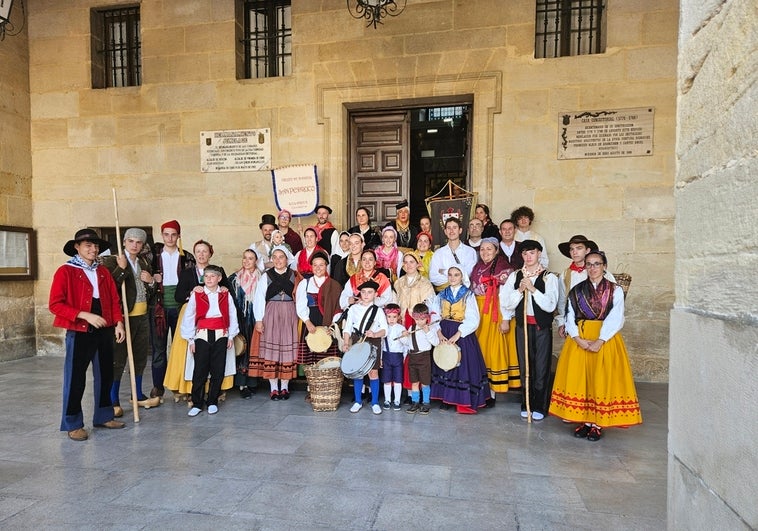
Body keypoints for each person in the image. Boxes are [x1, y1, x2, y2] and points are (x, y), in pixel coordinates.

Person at [549, 250, 642, 441]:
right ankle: (584, 420)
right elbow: (570, 315)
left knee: (599, 379)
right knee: (581, 380)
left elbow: (617, 317)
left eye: (597, 264)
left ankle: (597, 424)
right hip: (580, 339)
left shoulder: (614, 290)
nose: (592, 268)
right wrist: (577, 338)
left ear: (604, 266)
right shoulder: (577, 290)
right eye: (589, 264)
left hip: (604, 340)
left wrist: (600, 340)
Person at [49, 228, 126, 441]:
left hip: (105, 330)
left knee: (105, 375)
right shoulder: (65, 271)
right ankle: (73, 423)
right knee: (75, 379)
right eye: (88, 246)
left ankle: (103, 415)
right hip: (80, 331)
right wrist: (85, 315)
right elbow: (55, 304)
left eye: (96, 246)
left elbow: (113, 299)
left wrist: (119, 323)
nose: (93, 249)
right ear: (77, 247)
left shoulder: (102, 271)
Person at [101, 228, 161, 417]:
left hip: (142, 316)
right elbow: (109, 289)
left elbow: (150, 292)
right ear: (124, 242)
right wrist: (121, 269)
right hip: (122, 318)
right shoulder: (111, 261)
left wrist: (151, 281)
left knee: (140, 357)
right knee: (118, 359)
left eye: (139, 243)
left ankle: (138, 394)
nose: (134, 245)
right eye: (131, 241)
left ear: (143, 245)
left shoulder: (144, 262)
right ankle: (113, 399)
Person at [164, 240, 233, 402]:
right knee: (191, 354)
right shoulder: (187, 273)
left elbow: (227, 289)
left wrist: (224, 288)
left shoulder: (217, 271)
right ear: (194, 254)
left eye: (205, 251)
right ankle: (191, 389)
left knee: (216, 355)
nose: (201, 255)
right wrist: (191, 292)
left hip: (214, 319)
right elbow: (178, 296)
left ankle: (216, 389)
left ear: (210, 253)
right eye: (198, 251)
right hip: (192, 315)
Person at [500, 240, 559, 421]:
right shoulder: (516, 276)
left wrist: (532, 289)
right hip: (522, 326)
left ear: (539, 253)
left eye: (531, 253)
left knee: (541, 367)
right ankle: (526, 403)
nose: (528, 257)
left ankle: (540, 405)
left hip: (541, 327)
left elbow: (550, 305)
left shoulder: (549, 277)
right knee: (525, 365)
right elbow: (506, 302)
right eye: (524, 254)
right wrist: (519, 290)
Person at [181, 265, 239, 417]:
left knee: (217, 369)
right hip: (202, 335)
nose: (209, 279)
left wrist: (231, 335)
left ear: (219, 278)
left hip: (221, 334)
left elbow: (232, 315)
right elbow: (189, 316)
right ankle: (197, 402)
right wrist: (191, 339)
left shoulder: (225, 295)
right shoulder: (197, 295)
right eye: (206, 277)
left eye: (213, 276)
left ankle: (212, 400)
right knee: (200, 369)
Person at [430, 266, 490, 414]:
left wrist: (458, 335)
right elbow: (434, 314)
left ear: (462, 276)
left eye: (456, 275)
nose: (452, 277)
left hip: (462, 333)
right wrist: (438, 332)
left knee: (460, 365)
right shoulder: (441, 294)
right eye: (450, 275)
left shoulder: (468, 295)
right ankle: (445, 398)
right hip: (444, 331)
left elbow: (473, 318)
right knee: (444, 362)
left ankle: (462, 400)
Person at [470, 237, 521, 406]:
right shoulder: (477, 267)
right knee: (480, 351)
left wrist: (505, 318)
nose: (485, 252)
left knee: (493, 350)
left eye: (489, 249)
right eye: (482, 249)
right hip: (480, 311)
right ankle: (481, 389)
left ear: (497, 250)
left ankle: (492, 392)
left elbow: (509, 295)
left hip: (496, 311)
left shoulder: (504, 268)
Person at [149, 219, 196, 401]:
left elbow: (192, 281)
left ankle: (181, 386)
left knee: (182, 347)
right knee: (159, 348)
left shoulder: (187, 257)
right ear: (162, 236)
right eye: (166, 234)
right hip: (158, 306)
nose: (170, 238)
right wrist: (153, 279)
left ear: (178, 236)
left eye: (173, 234)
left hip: (180, 306)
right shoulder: (153, 257)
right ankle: (158, 387)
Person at [250, 248, 302, 400]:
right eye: (275, 257)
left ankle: (284, 387)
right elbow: (259, 298)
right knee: (271, 351)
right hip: (271, 313)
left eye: (281, 257)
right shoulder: (266, 276)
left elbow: (299, 297)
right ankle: (273, 388)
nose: (278, 260)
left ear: (287, 259)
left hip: (289, 313)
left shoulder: (294, 275)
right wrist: (259, 319)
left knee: (287, 349)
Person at [394, 252, 436, 404]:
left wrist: (421, 319)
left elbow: (430, 305)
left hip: (418, 323)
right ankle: (408, 392)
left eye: (412, 262)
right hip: (403, 322)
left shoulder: (425, 283)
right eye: (406, 262)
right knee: (404, 356)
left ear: (418, 264)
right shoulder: (398, 283)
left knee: (417, 357)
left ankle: (419, 396)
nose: (409, 265)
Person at [341, 279, 388, 415]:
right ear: (360, 294)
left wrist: (374, 333)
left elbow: (385, 330)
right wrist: (345, 342)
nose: (366, 295)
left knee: (373, 373)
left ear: (375, 294)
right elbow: (348, 327)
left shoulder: (378, 311)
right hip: (357, 340)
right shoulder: (353, 309)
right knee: (358, 373)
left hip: (374, 341)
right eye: (363, 292)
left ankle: (374, 402)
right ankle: (358, 401)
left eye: (370, 292)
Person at [555, 234, 615, 338]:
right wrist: (562, 322)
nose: (575, 252)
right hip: (575, 325)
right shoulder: (565, 275)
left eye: (579, 248)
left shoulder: (603, 273)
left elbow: (613, 298)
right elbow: (562, 301)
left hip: (600, 325)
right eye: (572, 249)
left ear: (587, 251)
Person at [295, 250, 342, 366]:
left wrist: (332, 326)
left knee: (328, 361)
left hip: (328, 323)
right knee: (311, 362)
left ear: (326, 265)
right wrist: (307, 322)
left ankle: (328, 383)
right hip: (311, 323)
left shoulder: (334, 285)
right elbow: (300, 305)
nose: (318, 268)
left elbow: (338, 307)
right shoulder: (304, 284)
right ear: (311, 267)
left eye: (321, 265)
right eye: (315, 265)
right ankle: (312, 383)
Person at [227, 249, 261, 398]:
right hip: (240, 318)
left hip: (255, 319)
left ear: (256, 261)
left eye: (251, 258)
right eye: (245, 258)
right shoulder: (234, 279)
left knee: (254, 350)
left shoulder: (262, 278)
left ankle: (253, 382)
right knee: (241, 349)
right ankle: (242, 384)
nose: (247, 261)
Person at [401, 303, 440, 415]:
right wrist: (404, 336)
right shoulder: (411, 328)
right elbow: (407, 343)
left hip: (424, 358)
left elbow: (436, 343)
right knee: (414, 382)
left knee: (425, 383)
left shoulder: (430, 328)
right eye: (417, 319)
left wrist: (427, 331)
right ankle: (415, 403)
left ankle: (426, 403)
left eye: (422, 319)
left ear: (426, 318)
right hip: (413, 357)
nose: (419, 322)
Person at [428, 217, 478, 292]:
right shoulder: (438, 253)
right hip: (444, 295)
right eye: (448, 228)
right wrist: (458, 277)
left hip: (465, 295)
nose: (451, 231)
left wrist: (444, 272)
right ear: (445, 231)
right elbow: (433, 277)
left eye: (454, 227)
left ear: (460, 230)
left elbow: (469, 273)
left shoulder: (470, 252)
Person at [380, 304, 406, 410]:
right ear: (385, 317)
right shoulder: (383, 329)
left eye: (394, 317)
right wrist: (381, 358)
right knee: (387, 380)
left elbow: (406, 345)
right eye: (389, 317)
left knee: (397, 380)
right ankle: (387, 400)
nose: (391, 319)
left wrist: (403, 356)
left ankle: (397, 400)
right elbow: (381, 345)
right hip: (386, 356)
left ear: (398, 317)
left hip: (398, 357)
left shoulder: (401, 328)